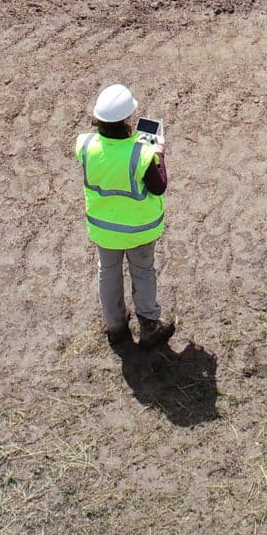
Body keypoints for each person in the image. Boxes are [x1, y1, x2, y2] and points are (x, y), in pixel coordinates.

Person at [76, 83, 172, 346]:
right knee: (142, 271)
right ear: (128, 119)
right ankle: (149, 325)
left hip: (104, 229)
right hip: (140, 230)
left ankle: (115, 325)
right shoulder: (142, 152)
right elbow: (159, 185)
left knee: (107, 272)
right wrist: (158, 153)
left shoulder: (85, 145)